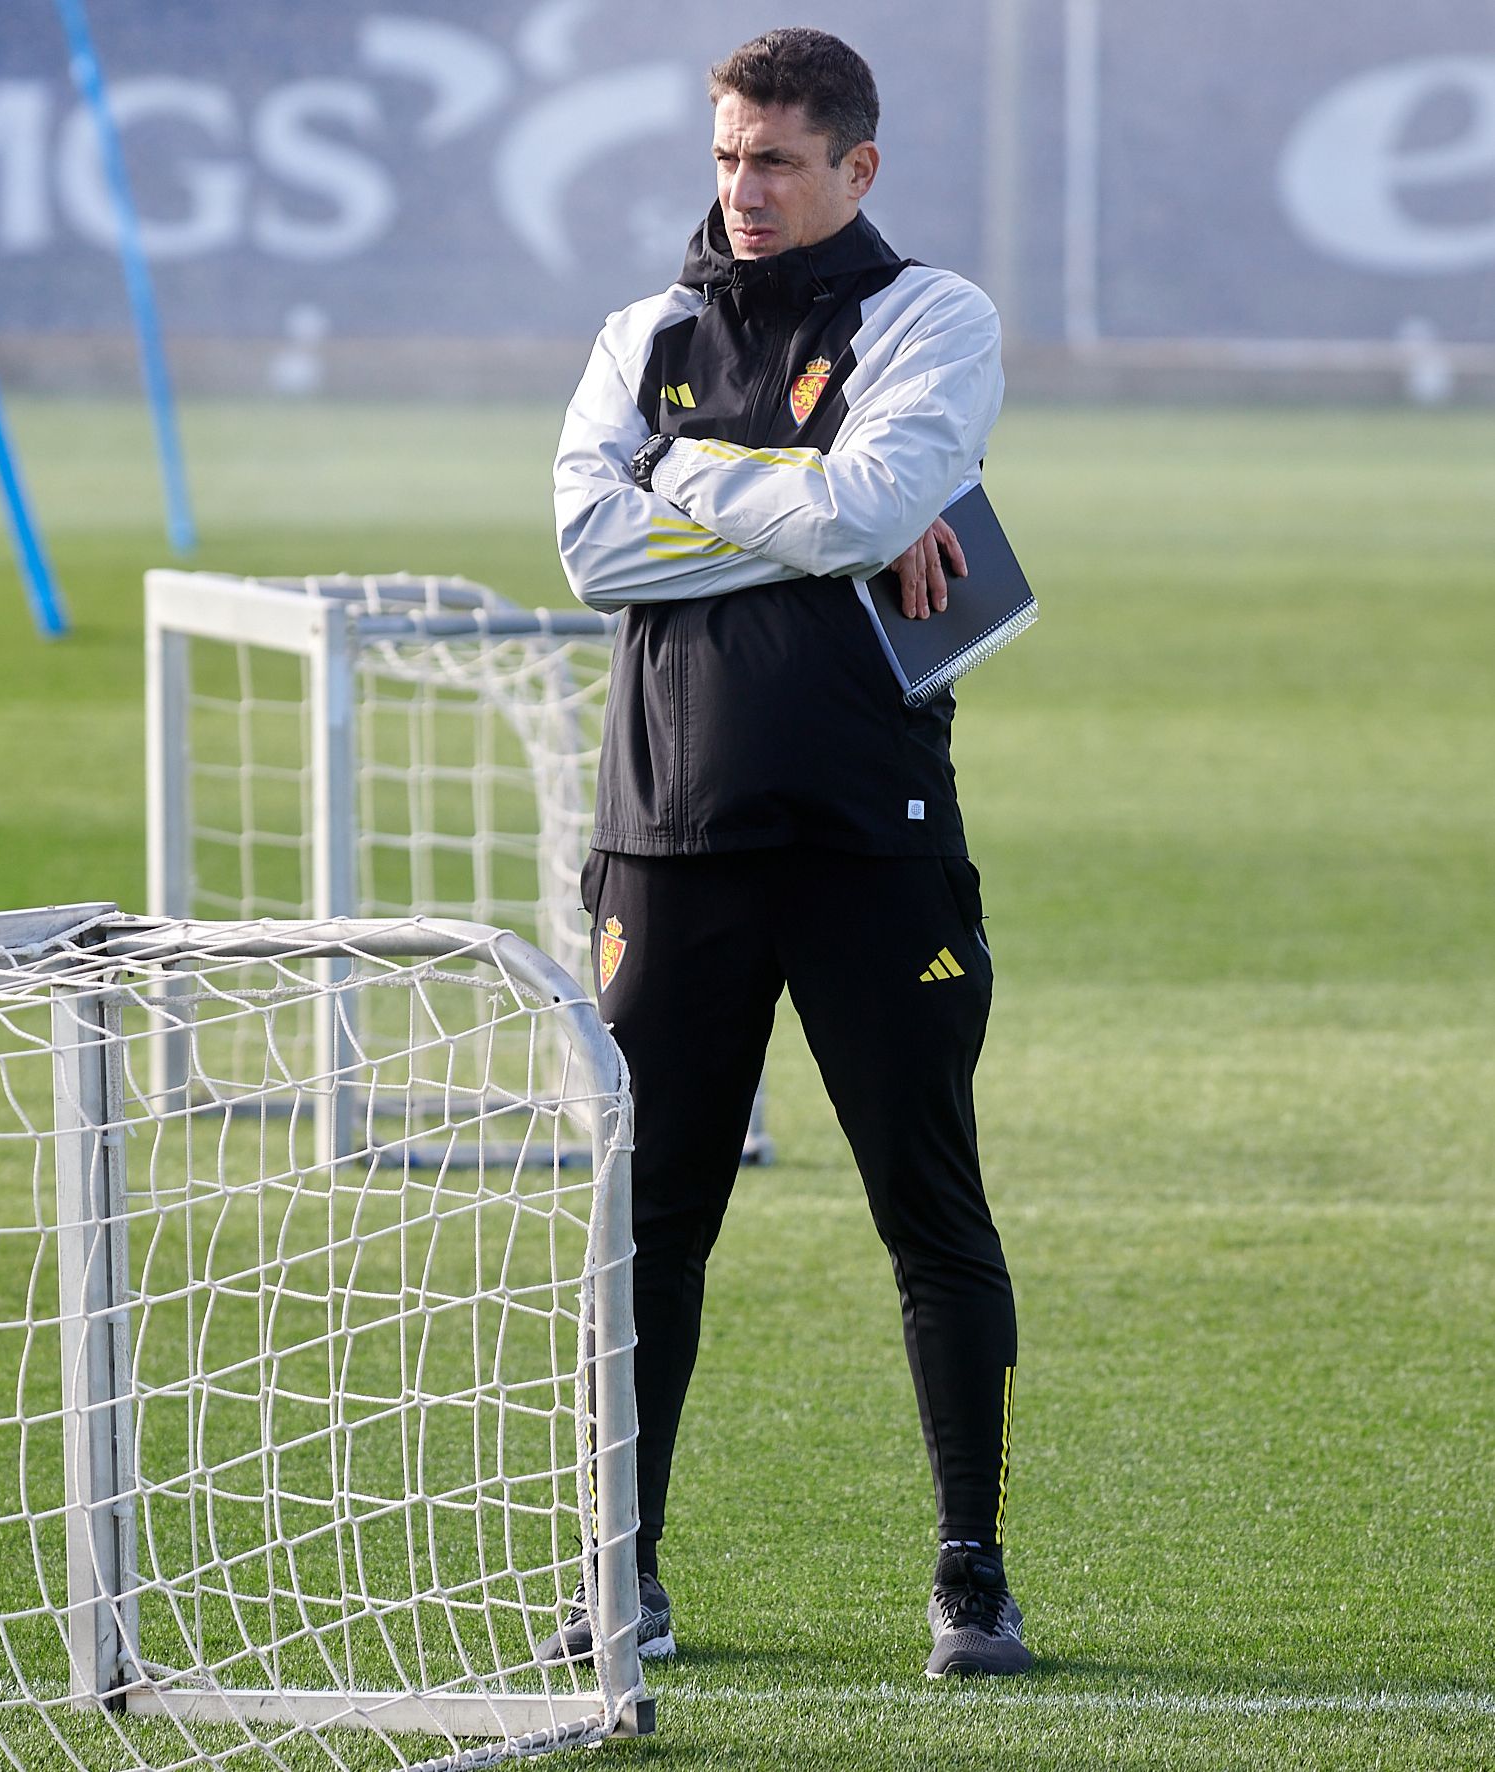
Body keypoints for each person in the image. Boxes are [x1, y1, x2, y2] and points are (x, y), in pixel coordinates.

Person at [535, 27, 1030, 1680]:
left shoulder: (930, 317)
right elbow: (587, 547)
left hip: (869, 845)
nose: (741, 190)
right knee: (649, 1220)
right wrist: (805, 507)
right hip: (663, 845)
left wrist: (679, 470)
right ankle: (624, 1570)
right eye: (727, 157)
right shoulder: (642, 329)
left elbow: (870, 509)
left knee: (927, 1210)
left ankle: (971, 1573)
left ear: (856, 169)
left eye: (777, 161)